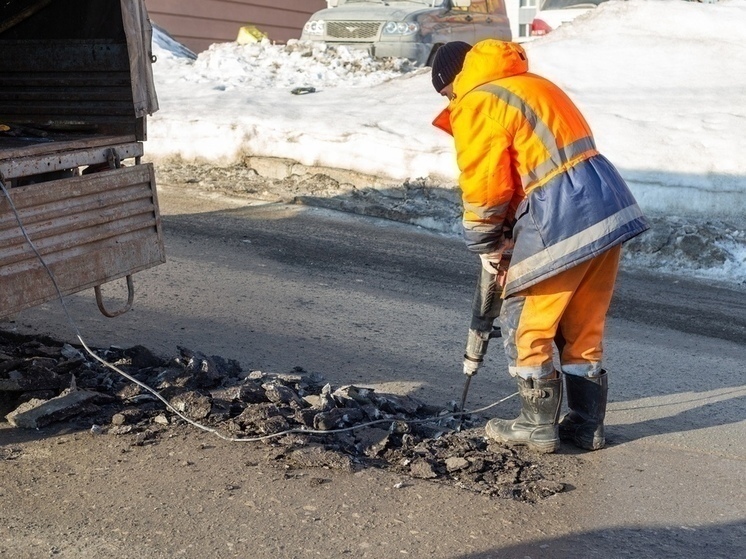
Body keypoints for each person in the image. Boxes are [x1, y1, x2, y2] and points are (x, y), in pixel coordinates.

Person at [431, 40, 649, 453]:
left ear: (456, 79)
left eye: (446, 93)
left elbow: (486, 184)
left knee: (526, 317)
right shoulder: (532, 85)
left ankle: (536, 426)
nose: (451, 101)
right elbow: (533, 161)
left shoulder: (478, 100)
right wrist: (514, 228)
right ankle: (586, 426)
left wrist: (485, 240)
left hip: (561, 214)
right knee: (582, 322)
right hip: (606, 205)